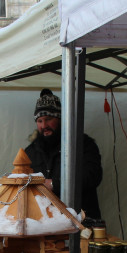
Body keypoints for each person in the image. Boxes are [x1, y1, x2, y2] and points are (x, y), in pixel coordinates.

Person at [24, 88, 103, 219]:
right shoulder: (30, 151)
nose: (44, 125)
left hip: (81, 218)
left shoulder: (83, 144)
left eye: (48, 119)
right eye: (40, 121)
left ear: (60, 119)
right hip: (45, 221)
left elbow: (92, 176)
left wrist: (54, 184)